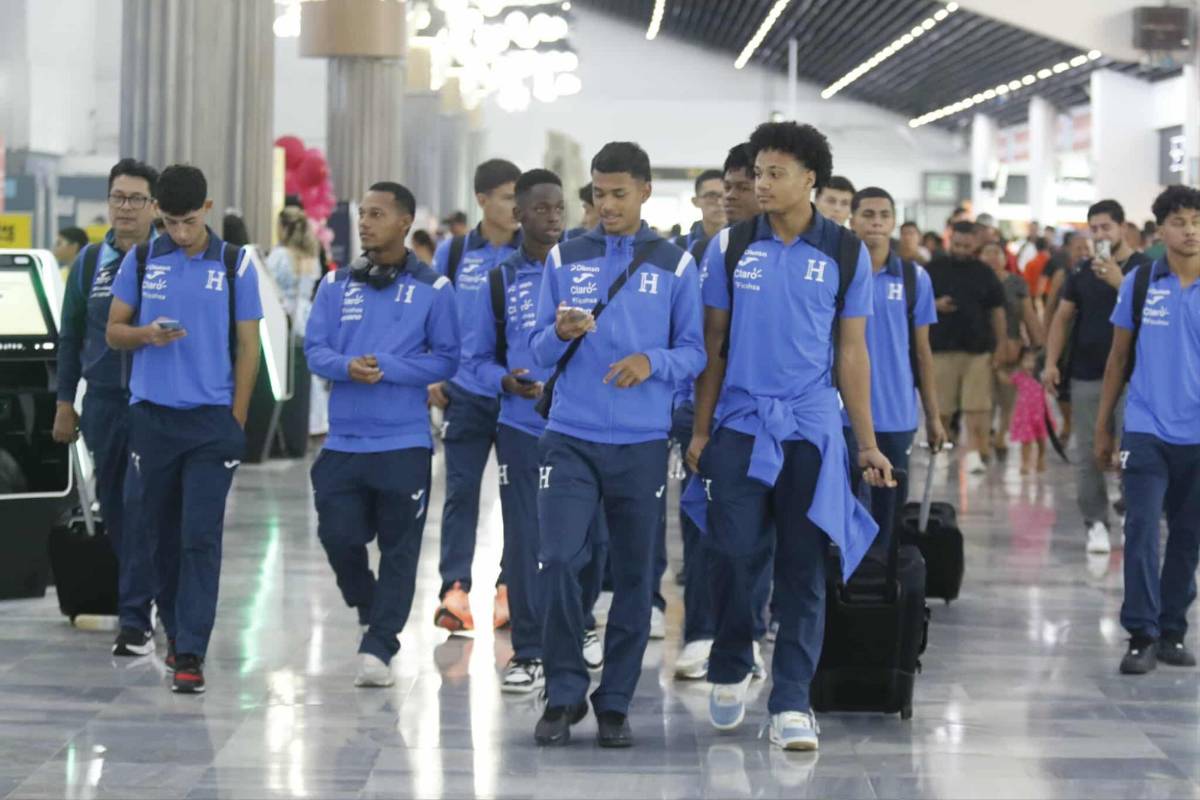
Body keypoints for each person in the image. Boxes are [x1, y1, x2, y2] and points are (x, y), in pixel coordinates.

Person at [688, 121, 893, 752]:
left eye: (775, 172)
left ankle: (791, 703)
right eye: (757, 172)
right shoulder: (730, 247)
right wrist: (700, 431)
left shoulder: (845, 251)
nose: (761, 183)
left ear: (811, 180)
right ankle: (731, 661)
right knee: (733, 550)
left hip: (809, 427)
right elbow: (712, 348)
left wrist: (866, 442)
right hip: (740, 425)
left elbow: (852, 354)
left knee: (803, 569)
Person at [528, 141, 704, 748]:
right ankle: (563, 692)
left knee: (633, 577)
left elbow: (695, 353)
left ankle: (617, 701)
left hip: (641, 444)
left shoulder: (676, 264)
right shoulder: (563, 257)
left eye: (618, 194)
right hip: (569, 438)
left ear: (646, 192)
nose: (606, 205)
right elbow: (536, 350)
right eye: (598, 194)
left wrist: (649, 362)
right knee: (556, 560)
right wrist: (557, 331)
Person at [106, 164, 263, 694]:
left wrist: (235, 420)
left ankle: (190, 649)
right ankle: (175, 632)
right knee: (160, 536)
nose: (179, 232)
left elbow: (249, 348)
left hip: (209, 424)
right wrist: (145, 335)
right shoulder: (143, 258)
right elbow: (112, 332)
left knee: (199, 536)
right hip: (152, 419)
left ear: (208, 210)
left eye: (188, 221)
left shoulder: (235, 263)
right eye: (170, 221)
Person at [305, 181, 460, 688]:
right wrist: (348, 366)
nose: (365, 222)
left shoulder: (434, 290)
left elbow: (446, 359)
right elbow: (315, 350)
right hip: (344, 442)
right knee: (338, 535)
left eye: (376, 214)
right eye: (362, 214)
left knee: (400, 548)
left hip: (404, 444)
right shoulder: (334, 285)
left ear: (404, 223)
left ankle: (380, 645)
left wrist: (389, 366)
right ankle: (366, 602)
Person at [460, 167, 607, 691]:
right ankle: (528, 649)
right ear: (518, 214)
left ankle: (580, 623)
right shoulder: (499, 281)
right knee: (525, 539)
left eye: (558, 208)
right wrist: (503, 381)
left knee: (586, 539)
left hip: (584, 426)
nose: (551, 217)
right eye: (540, 208)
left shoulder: (586, 269)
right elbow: (472, 358)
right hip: (520, 426)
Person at [53, 158, 159, 656]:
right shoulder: (92, 262)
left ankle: (137, 615)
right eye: (118, 197)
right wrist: (63, 402)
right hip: (101, 404)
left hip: (155, 405)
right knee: (117, 509)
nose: (125, 207)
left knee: (144, 506)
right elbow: (71, 335)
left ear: (154, 206)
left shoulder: (165, 260)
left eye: (136, 198)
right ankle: (140, 600)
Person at [1094, 185, 1200, 676]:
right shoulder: (1140, 283)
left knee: (1187, 537)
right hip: (1145, 428)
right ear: (1160, 231)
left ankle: (1173, 629)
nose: (1191, 230)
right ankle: (1141, 633)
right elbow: (1117, 359)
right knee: (1139, 529)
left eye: (1198, 221)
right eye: (1180, 222)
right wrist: (1103, 429)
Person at [429, 158, 522, 633]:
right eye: (508, 196)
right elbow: (435, 315)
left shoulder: (539, 251)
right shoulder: (454, 253)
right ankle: (455, 590)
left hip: (519, 399)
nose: (517, 206)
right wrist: (433, 373)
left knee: (518, 497)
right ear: (482, 199)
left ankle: (509, 588)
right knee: (461, 494)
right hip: (464, 393)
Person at [1043, 199, 1151, 554]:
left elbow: (1153, 317)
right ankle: (1096, 523)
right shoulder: (1081, 271)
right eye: (1095, 229)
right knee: (1088, 452)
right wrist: (1051, 361)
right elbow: (1062, 317)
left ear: (1123, 228)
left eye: (1107, 227)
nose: (1101, 234)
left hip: (1136, 377)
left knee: (1134, 453)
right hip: (1088, 374)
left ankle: (1135, 518)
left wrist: (1120, 282)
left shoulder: (1145, 269)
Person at [847, 187, 946, 523]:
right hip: (841, 417)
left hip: (896, 416)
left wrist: (932, 416)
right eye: (868, 214)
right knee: (843, 512)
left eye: (884, 215)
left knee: (888, 516)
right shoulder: (836, 272)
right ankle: (841, 578)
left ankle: (885, 576)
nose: (876, 222)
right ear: (853, 219)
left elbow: (922, 353)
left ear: (893, 221)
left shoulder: (913, 278)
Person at [926, 221, 1007, 473]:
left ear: (975, 244)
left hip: (977, 350)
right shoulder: (932, 269)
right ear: (950, 240)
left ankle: (974, 452)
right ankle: (940, 450)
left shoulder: (984, 272)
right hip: (940, 349)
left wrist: (1001, 345)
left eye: (966, 245)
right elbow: (916, 303)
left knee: (977, 408)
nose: (961, 249)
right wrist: (935, 304)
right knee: (941, 408)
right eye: (957, 244)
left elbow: (997, 311)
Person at [266, 206, 326, 439]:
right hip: (307, 315)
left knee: (289, 371)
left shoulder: (280, 255)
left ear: (282, 227)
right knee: (310, 374)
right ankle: (316, 422)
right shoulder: (311, 255)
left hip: (286, 315)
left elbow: (269, 283)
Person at [981, 239, 1043, 458]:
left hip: (1012, 348)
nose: (992, 257)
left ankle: (1000, 438)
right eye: (987, 252)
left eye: (996, 252)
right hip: (983, 349)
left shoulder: (1017, 283)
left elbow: (1029, 315)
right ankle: (984, 440)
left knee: (1008, 400)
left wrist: (1037, 348)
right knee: (984, 400)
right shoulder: (976, 282)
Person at [1006, 346, 1049, 475]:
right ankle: (1025, 462)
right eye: (1026, 360)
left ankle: (1041, 459)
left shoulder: (1041, 376)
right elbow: (1007, 380)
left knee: (1041, 438)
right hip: (1025, 415)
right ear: (1020, 362)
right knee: (1025, 440)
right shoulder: (1018, 377)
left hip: (1040, 412)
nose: (1030, 364)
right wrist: (997, 371)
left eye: (1033, 361)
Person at [674, 169, 726, 256]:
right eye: (711, 196)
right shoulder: (680, 246)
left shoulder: (743, 243)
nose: (719, 202)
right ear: (695, 201)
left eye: (724, 195)